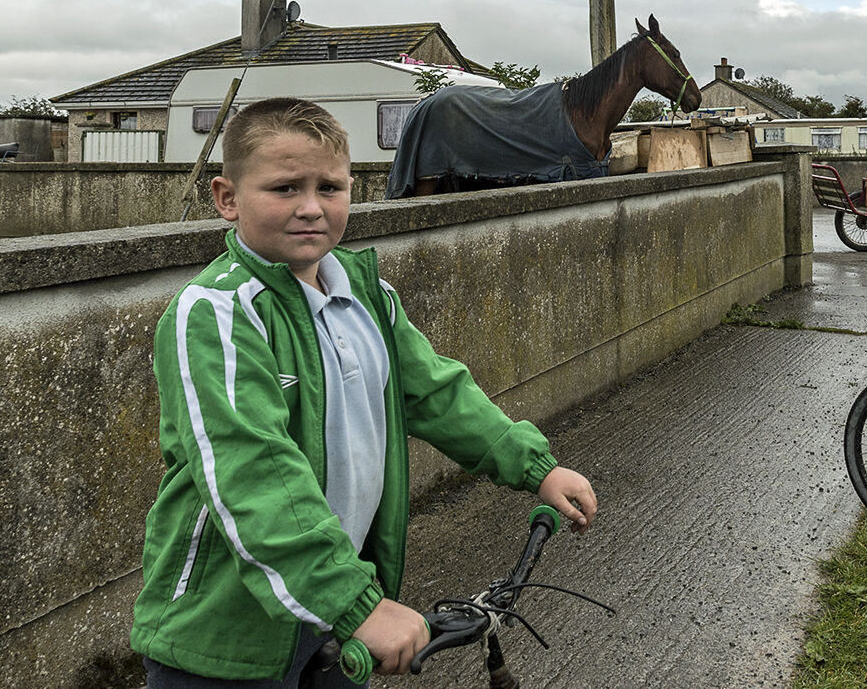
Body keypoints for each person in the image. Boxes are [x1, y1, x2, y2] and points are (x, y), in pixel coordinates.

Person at [131, 97, 598, 685]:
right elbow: (254, 471)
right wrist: (360, 603)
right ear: (227, 198)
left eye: (330, 187)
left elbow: (433, 391)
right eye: (283, 189)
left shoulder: (365, 290)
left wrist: (536, 468)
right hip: (226, 630)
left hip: (331, 607)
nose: (310, 208)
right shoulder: (215, 314)